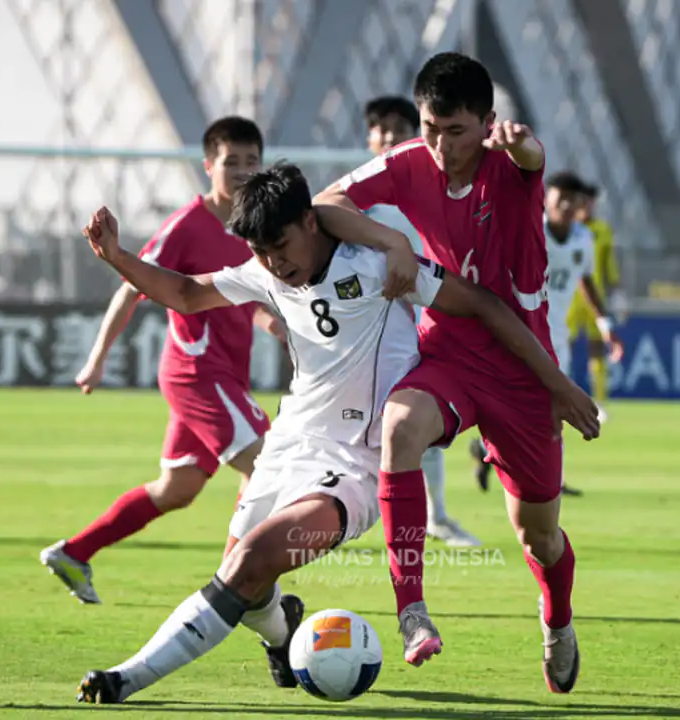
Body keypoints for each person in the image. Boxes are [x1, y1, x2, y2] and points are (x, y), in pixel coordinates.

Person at [73, 163, 597, 704]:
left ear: (310, 223)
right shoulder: (266, 275)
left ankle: (124, 679)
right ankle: (283, 632)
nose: (274, 263)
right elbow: (185, 293)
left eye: (280, 245)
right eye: (261, 252)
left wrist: (555, 383)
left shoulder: (379, 268)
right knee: (247, 589)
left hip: (358, 464)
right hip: (287, 448)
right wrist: (118, 258)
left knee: (250, 562)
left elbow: (484, 304)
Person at [315, 51, 600, 693]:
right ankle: (411, 609)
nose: (441, 145)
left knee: (541, 538)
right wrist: (392, 244)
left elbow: (533, 159)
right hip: (449, 347)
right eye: (430, 127)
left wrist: (525, 145)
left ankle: (557, 620)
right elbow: (325, 204)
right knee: (400, 427)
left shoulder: (510, 166)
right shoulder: (411, 161)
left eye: (457, 130)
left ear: (487, 123)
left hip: (525, 367)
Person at [39, 117, 289, 605]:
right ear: (207, 166)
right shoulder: (187, 225)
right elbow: (132, 288)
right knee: (268, 468)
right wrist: (96, 360)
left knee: (177, 489)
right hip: (198, 374)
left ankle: (74, 552)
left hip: (218, 375)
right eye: (230, 161)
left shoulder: (253, 224)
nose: (241, 171)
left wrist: (268, 321)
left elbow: (240, 295)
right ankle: (235, 584)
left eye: (251, 161)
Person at [363, 95, 479, 547]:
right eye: (381, 129)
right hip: (368, 332)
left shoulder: (430, 189)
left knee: (418, 427)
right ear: (370, 137)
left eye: (399, 128)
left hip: (426, 327)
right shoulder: (355, 200)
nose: (390, 137)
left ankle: (436, 516)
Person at [470, 172, 623, 496]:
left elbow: (587, 281)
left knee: (555, 405)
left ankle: (550, 477)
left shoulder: (584, 238)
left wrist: (605, 325)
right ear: (547, 201)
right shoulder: (529, 230)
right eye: (559, 199)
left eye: (572, 200)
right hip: (520, 334)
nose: (566, 206)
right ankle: (494, 456)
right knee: (517, 407)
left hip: (557, 336)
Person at [568, 182, 623, 422]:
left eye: (591, 202)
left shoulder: (602, 230)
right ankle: (563, 399)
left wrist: (617, 291)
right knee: (561, 349)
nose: (588, 206)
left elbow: (608, 263)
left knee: (597, 349)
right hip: (567, 298)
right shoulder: (565, 228)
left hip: (593, 296)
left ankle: (599, 402)